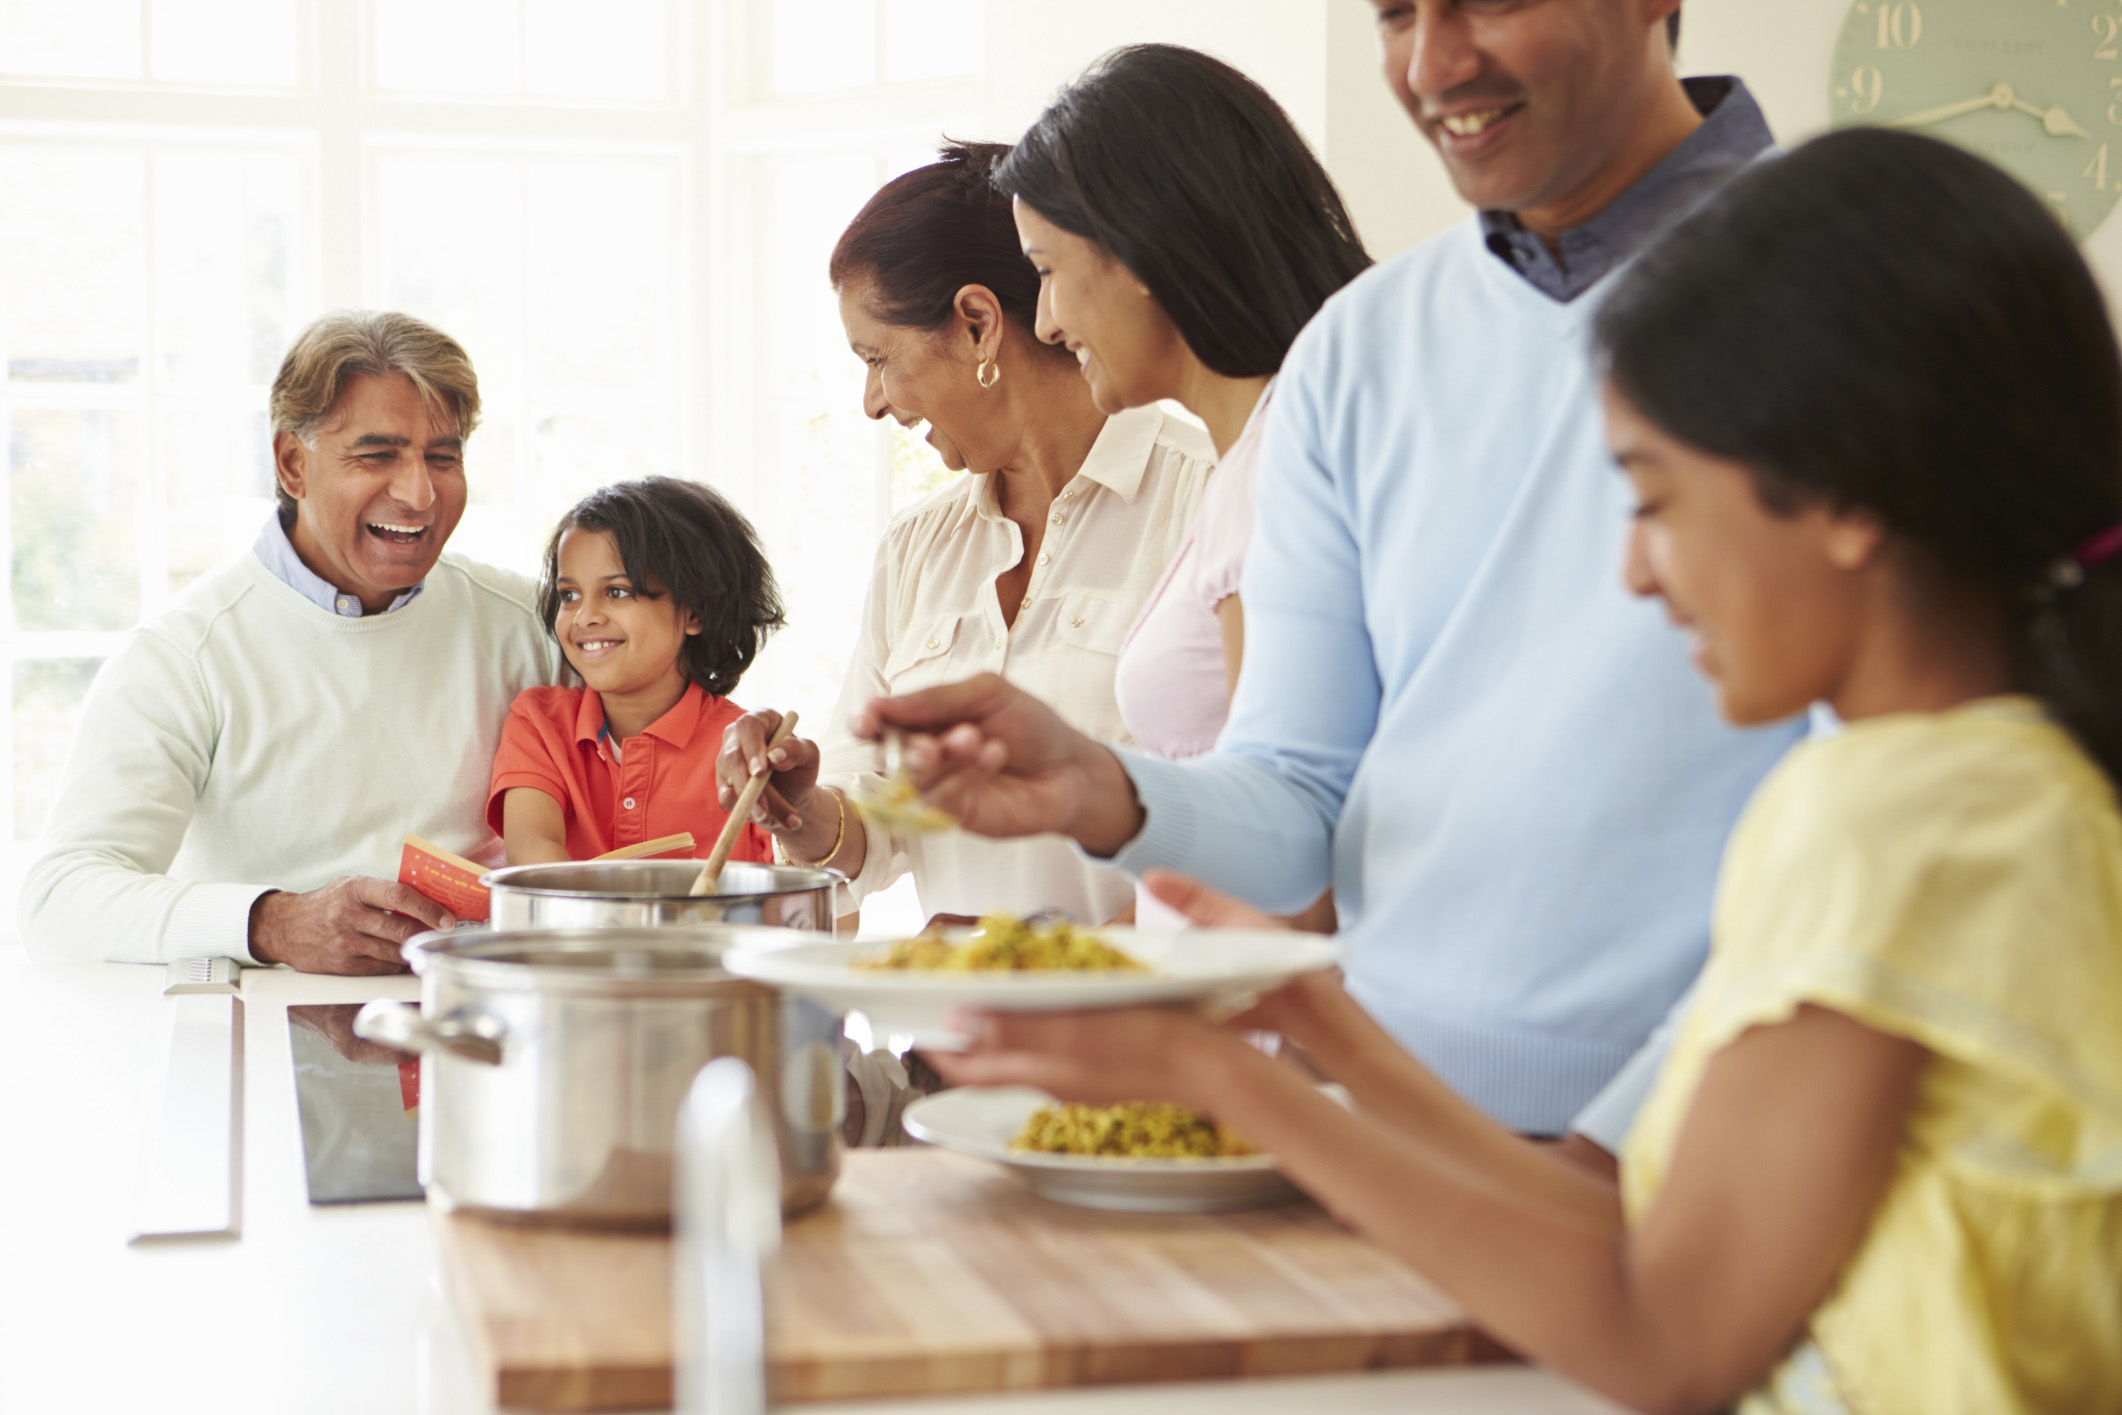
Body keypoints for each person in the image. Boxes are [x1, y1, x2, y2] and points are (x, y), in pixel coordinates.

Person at [938, 129, 2122, 1414]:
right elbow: (1610, 1219)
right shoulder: (1998, 786)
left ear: (1841, 497)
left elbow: (1665, 1335)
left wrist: (1215, 1076)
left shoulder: (1894, 817)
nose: (1633, 572)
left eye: (1656, 500)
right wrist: (1317, 1021)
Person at [859, 0, 1803, 1148]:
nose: (1433, 62)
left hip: (1720, 1142)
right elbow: (1300, 803)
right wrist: (1099, 786)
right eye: (1397, 13)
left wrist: (1619, 1142)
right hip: (1398, 1136)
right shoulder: (1363, 348)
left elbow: (1915, 793)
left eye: (1490, 3)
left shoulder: (1858, 283)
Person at [715, 141, 1214, 928]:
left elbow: (1253, 825)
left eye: (878, 358)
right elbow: (879, 817)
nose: (872, 402)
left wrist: (1048, 973)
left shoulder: (1205, 499)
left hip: (1155, 1032)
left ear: (979, 324)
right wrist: (802, 807)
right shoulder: (919, 548)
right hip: (962, 1038)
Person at [19, 311, 558, 973]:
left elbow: (682, 740)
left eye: (442, 456)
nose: (420, 492)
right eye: (377, 454)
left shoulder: (533, 625)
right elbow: (58, 898)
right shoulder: (187, 655)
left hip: (484, 1027)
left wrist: (728, 746)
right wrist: (272, 922)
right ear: (292, 462)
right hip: (263, 1040)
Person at [998, 45, 1370, 772]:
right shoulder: (1259, 456)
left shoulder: (1277, 471)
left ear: (1139, 251)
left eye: (1047, 271)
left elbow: (1287, 831)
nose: (1044, 322)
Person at [491, 477, 782, 867]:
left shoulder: (747, 752)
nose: (585, 617)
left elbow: (824, 905)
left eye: (616, 592)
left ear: (694, 611)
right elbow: (536, 866)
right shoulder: (538, 724)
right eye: (569, 595)